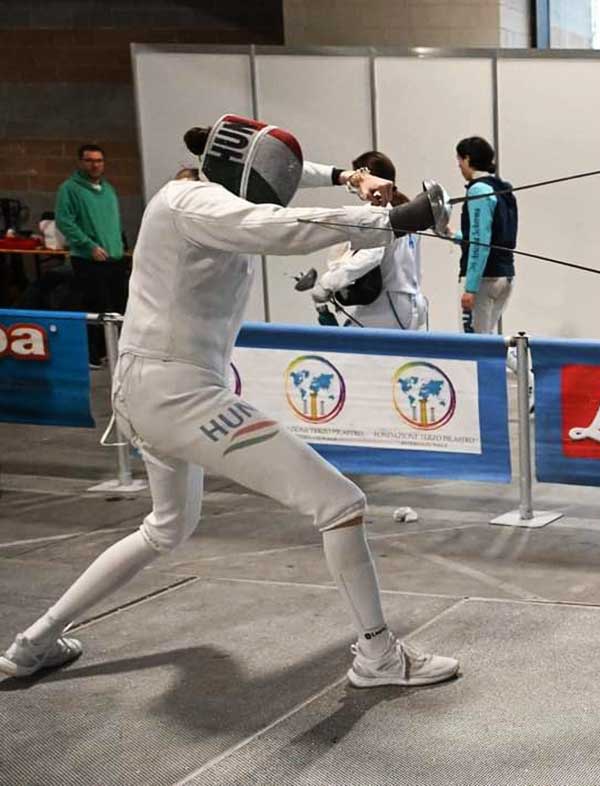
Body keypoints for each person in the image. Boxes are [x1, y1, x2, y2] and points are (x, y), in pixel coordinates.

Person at [0, 115, 458, 690]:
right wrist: (393, 219)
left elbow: (284, 181)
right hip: (178, 395)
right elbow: (276, 226)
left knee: (166, 528)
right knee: (340, 503)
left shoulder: (206, 188)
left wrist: (348, 175)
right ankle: (379, 657)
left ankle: (31, 644)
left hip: (156, 390)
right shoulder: (192, 205)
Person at [309, 151, 428, 330]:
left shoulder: (377, 212)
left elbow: (370, 256)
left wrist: (327, 284)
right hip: (409, 305)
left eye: (357, 178)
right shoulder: (405, 210)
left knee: (346, 352)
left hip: (388, 307)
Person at [56, 144, 128, 368]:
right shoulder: (70, 189)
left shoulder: (108, 190)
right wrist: (89, 246)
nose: (95, 165)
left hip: (113, 259)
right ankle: (92, 355)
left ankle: (111, 353)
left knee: (117, 307)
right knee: (95, 307)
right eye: (89, 160)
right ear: (81, 162)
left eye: (99, 160)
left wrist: (119, 248)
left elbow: (113, 224)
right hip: (88, 260)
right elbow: (65, 222)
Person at [453, 136, 517, 335]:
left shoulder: (478, 190)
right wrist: (451, 234)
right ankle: (522, 366)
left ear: (468, 159)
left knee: (475, 346)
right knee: (489, 343)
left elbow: (480, 242)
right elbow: (495, 233)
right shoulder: (502, 188)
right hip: (504, 276)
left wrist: (470, 288)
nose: (459, 165)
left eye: (460, 160)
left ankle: (523, 367)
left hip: (485, 279)